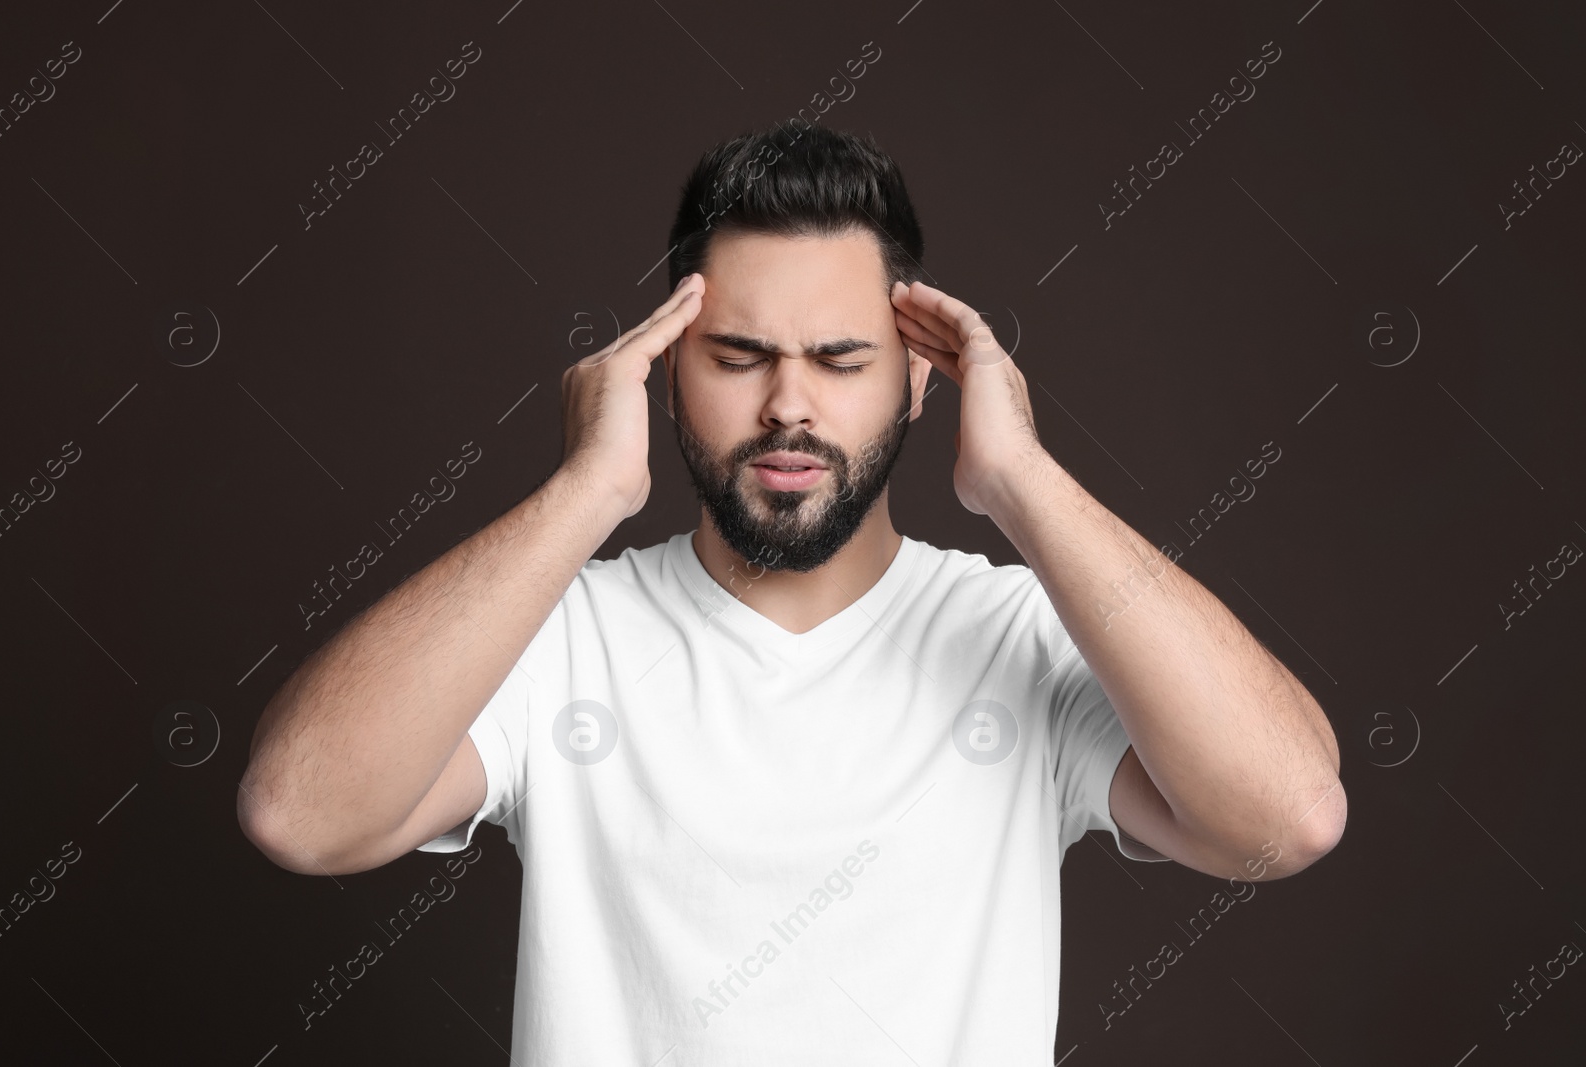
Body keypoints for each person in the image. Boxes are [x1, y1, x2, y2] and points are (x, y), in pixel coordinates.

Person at [238, 123, 1345, 1062]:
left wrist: (1020, 482)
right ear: (667, 373)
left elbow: (1285, 817)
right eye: (736, 356)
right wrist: (584, 492)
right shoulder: (560, 639)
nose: (787, 405)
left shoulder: (1018, 636)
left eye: (840, 358)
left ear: (921, 378)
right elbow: (301, 815)